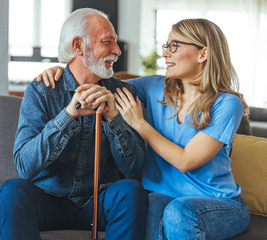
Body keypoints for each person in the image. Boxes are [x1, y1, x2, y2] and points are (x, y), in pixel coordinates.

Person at [36, 18, 251, 239]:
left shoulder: (227, 104)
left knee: (179, 213)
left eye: (174, 46)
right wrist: (63, 71)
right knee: (145, 205)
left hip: (218, 203)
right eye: (166, 46)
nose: (166, 54)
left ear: (202, 54)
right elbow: (101, 81)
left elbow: (186, 161)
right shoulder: (155, 88)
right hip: (162, 195)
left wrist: (139, 123)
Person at [0, 8, 148, 240]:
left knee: (131, 192)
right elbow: (24, 166)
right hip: (48, 199)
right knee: (11, 191)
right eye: (107, 43)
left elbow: (134, 168)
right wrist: (69, 114)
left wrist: (113, 117)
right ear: (78, 47)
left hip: (99, 202)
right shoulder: (41, 91)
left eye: (115, 43)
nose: (117, 51)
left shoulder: (124, 92)